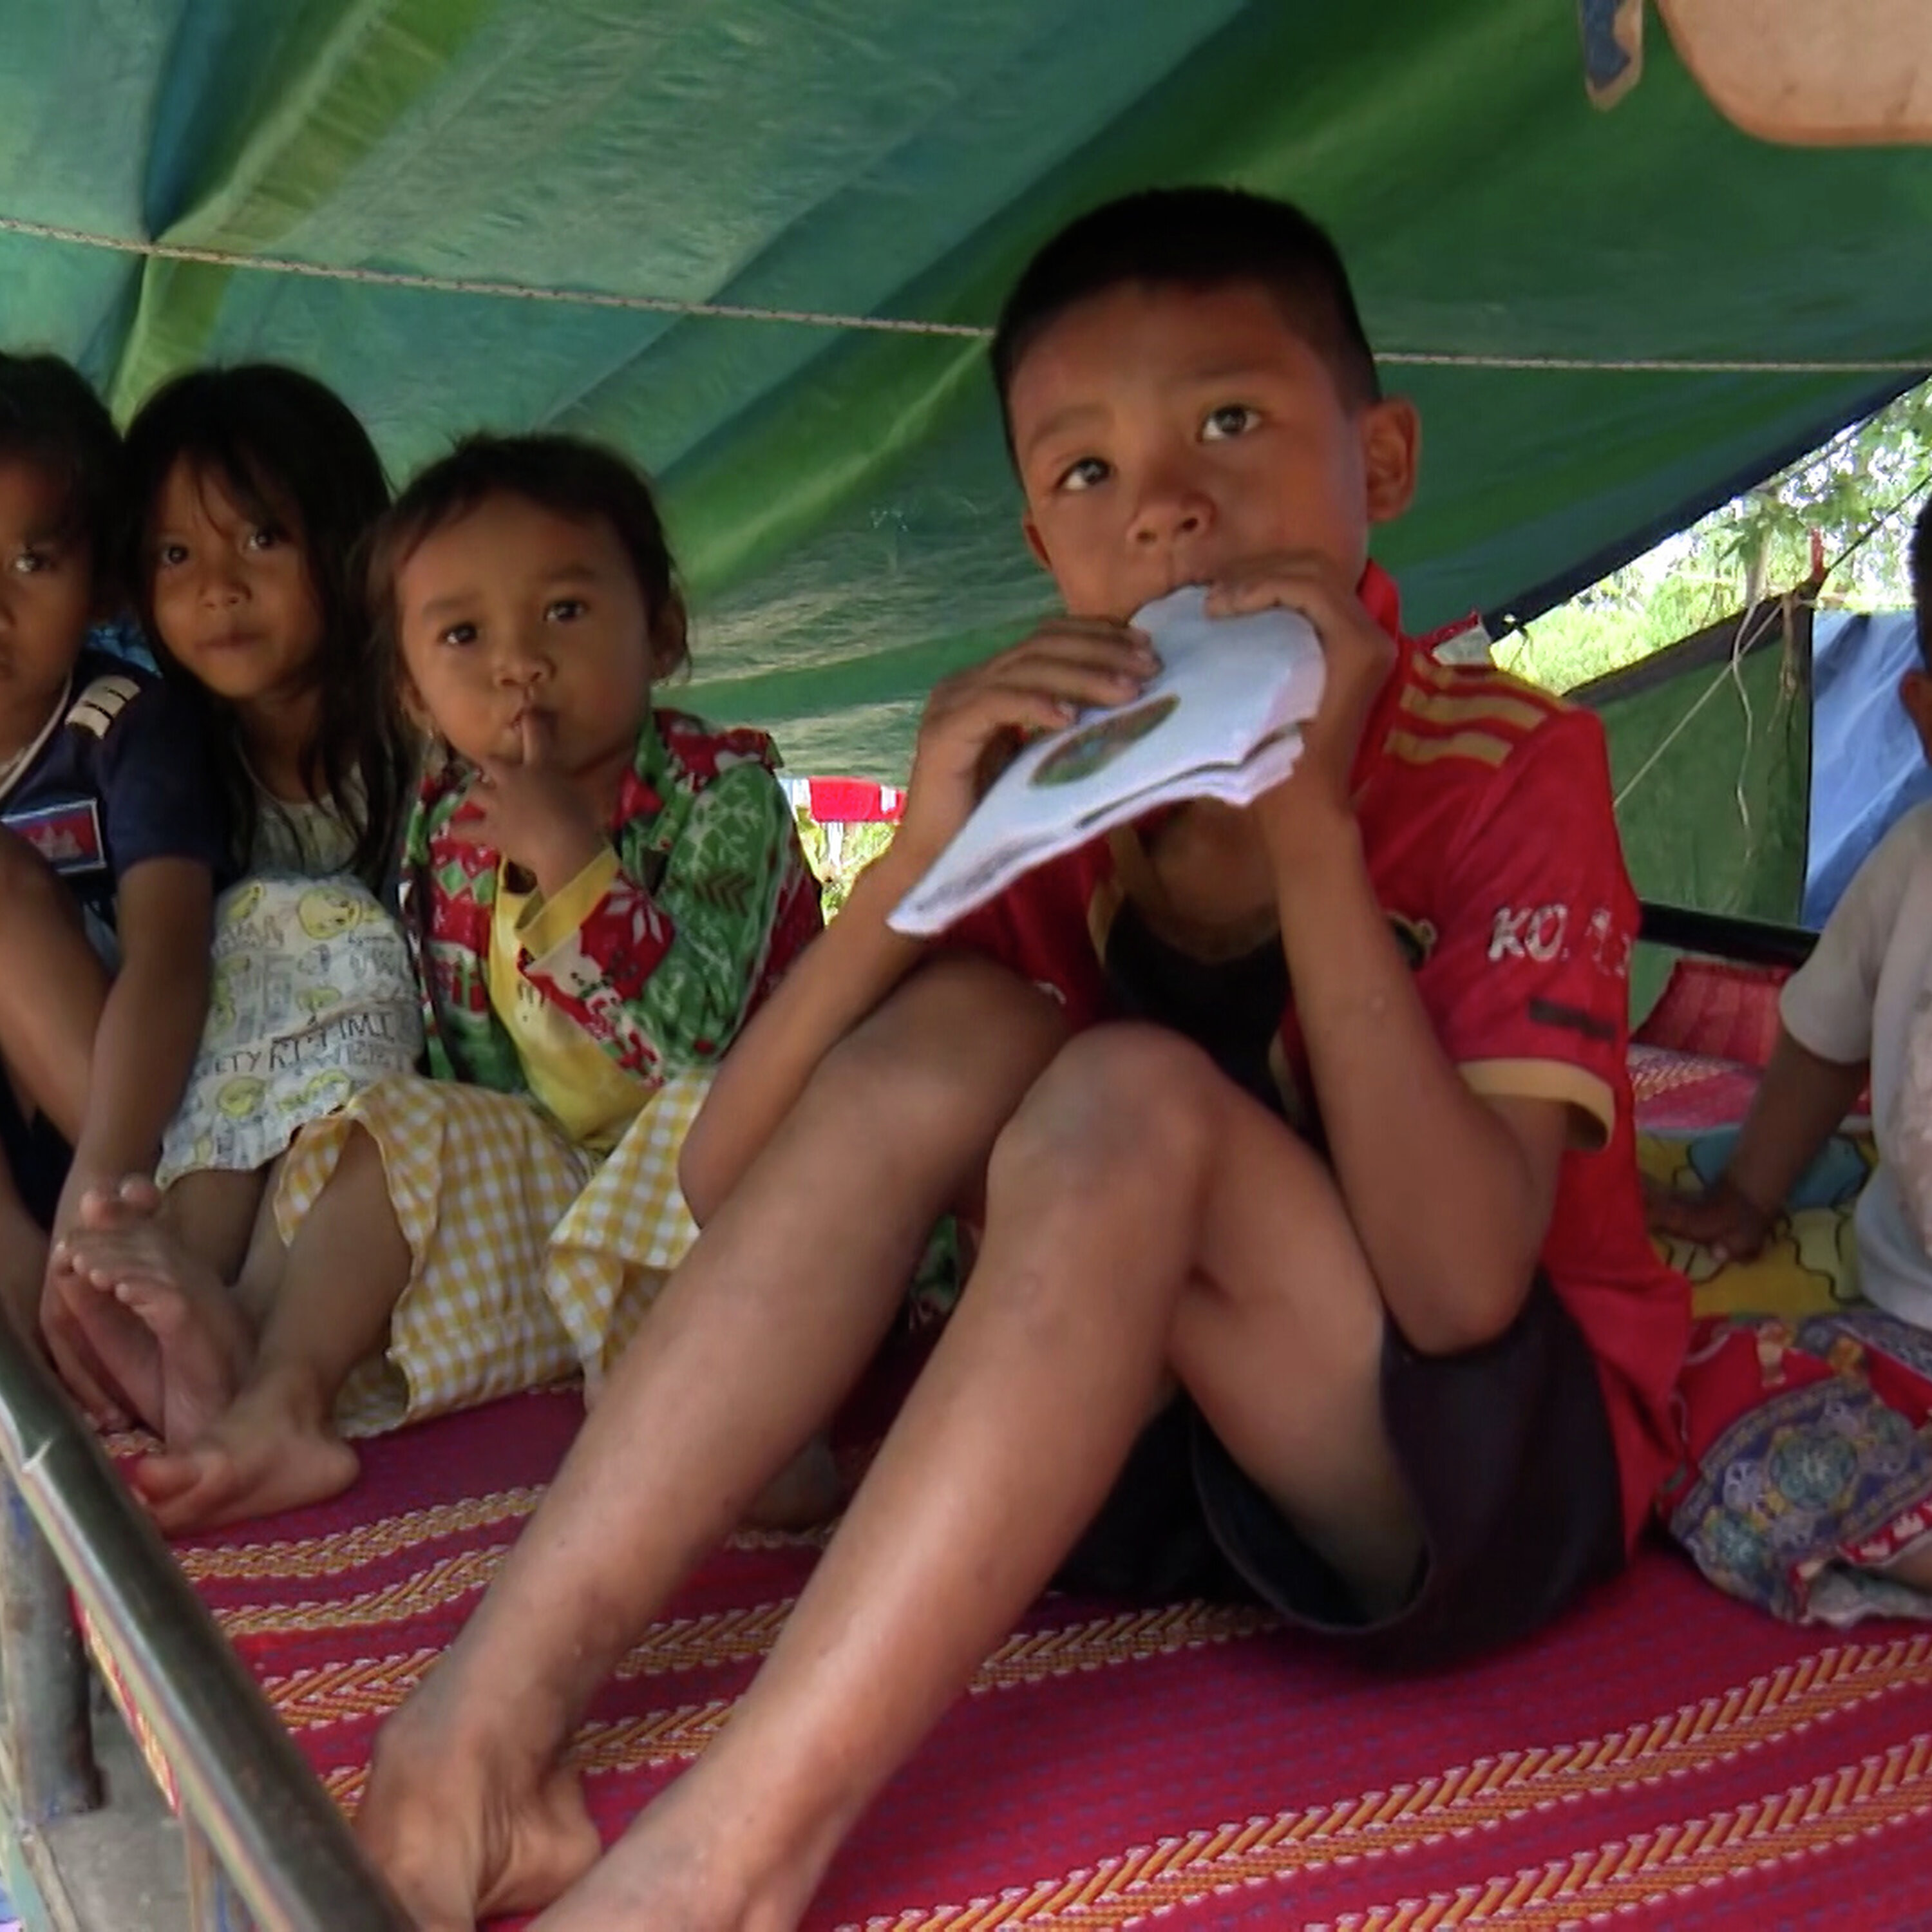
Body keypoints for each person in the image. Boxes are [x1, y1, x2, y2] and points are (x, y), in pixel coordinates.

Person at [351, 187, 1689, 1932]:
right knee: (970, 1024)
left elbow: (1457, 1293)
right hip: (1166, 1452)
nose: (1168, 508)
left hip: (1468, 1472)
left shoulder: (1506, 761)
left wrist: (1306, 826)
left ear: (1385, 458)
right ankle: (476, 1745)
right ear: (1045, 545)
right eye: (1089, 471)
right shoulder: (1061, 801)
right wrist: (920, 863)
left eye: (1231, 422)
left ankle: (724, 1866)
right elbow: (726, 1176)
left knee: (1126, 1095)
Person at [87, 433, 822, 1532]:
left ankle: (745, 1421)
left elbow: (702, 1042)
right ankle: (274, 1394)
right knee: (397, 1122)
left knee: (710, 1160)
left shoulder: (725, 797)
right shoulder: (450, 818)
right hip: (566, 1182)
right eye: (464, 635)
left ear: (663, 631)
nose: (518, 664)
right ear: (414, 693)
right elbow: (476, 1077)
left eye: (564, 612)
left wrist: (577, 866)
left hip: (736, 1174)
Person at [55, 365, 421, 1444]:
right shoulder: (166, 749)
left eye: (262, 539)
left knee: (298, 926)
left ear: (347, 542)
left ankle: (234, 1325)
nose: (218, 588)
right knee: (243, 941)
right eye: (177, 556)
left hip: (389, 1108)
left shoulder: (418, 725)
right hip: (226, 1110)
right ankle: (177, 1292)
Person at [1649, 495, 1932, 1625]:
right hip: (1909, 1344)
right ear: (1926, 719)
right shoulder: (1911, 867)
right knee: (1688, 1389)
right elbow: (1823, 1038)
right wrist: (1748, 1195)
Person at [0, 352, 225, 1416]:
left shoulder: (124, 726)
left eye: (31, 562)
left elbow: (171, 961)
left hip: (139, 1140)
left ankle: (119, 1270)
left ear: (101, 582)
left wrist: (100, 1182)